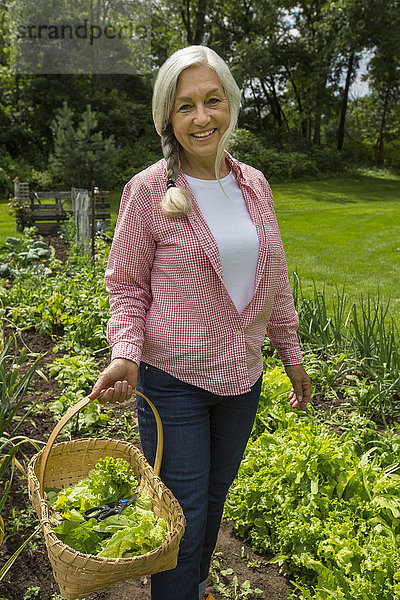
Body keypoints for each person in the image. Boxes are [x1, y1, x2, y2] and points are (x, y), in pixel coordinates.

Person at [89, 45, 311, 600]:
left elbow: (275, 277)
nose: (202, 117)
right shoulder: (147, 191)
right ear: (168, 116)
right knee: (179, 523)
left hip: (242, 380)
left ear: (230, 105)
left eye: (213, 101)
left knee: (213, 501)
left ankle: (195, 587)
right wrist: (124, 353)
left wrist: (292, 355)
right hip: (173, 383)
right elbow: (126, 283)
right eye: (186, 106)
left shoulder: (254, 184)